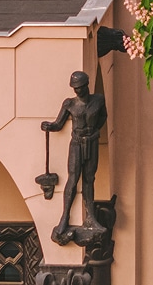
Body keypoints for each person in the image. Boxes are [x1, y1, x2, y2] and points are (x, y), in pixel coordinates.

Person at [42, 71, 107, 245]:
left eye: (80, 87)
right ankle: (65, 217)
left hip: (92, 142)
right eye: (75, 88)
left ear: (87, 85)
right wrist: (49, 126)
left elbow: (103, 117)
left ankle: (91, 217)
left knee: (89, 179)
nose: (77, 91)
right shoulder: (70, 104)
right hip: (77, 144)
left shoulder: (98, 100)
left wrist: (93, 131)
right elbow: (58, 124)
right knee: (73, 178)